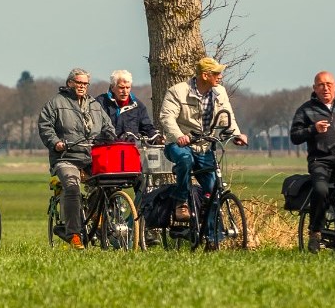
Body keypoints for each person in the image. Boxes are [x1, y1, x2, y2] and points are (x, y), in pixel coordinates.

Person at [157, 56, 248, 247]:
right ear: (205, 75)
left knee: (213, 189)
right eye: (216, 73)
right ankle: (181, 201)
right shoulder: (178, 91)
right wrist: (178, 135)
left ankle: (212, 238)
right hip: (179, 143)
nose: (220, 77)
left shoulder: (219, 92)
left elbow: (227, 116)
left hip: (204, 146)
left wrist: (237, 134)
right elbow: (167, 118)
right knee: (184, 159)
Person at [38, 68, 115, 249]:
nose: (82, 86)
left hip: (90, 156)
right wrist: (55, 142)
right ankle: (73, 234)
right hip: (66, 157)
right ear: (69, 83)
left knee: (110, 181)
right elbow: (45, 126)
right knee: (72, 188)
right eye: (78, 83)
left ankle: (95, 215)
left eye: (85, 84)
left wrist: (111, 137)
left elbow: (107, 126)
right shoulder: (56, 103)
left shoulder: (94, 104)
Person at [289, 71, 335, 253]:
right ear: (314, 88)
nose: (325, 88)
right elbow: (295, 137)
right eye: (321, 85)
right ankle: (315, 232)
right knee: (320, 189)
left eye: (329, 84)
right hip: (321, 160)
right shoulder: (306, 110)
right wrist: (313, 129)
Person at [94, 70, 161, 142]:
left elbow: (147, 127)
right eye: (121, 88)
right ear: (113, 87)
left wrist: (157, 138)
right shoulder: (99, 103)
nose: (125, 91)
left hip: (131, 149)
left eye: (128, 87)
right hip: (106, 148)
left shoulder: (138, 106)